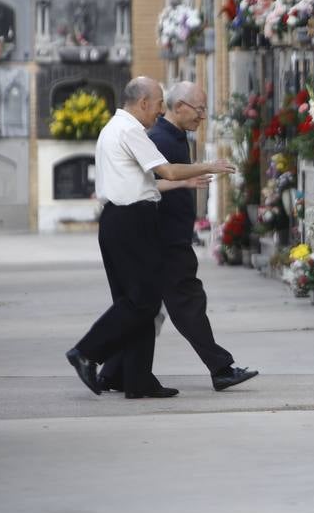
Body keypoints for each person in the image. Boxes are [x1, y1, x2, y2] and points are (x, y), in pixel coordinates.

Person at [65, 77, 235, 399]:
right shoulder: (131, 130)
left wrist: (185, 184)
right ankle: (86, 352)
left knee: (138, 301)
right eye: (158, 104)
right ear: (143, 102)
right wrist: (211, 165)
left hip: (116, 220)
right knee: (142, 301)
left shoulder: (112, 129)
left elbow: (147, 184)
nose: (160, 112)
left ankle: (138, 380)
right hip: (132, 222)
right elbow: (167, 171)